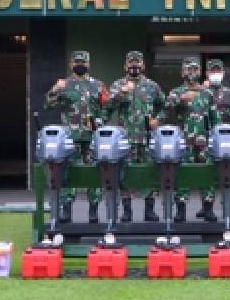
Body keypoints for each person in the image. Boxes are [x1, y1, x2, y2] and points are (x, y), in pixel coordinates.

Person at [45, 50, 105, 223]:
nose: (80, 65)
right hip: (70, 137)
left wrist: (97, 123)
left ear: (88, 64)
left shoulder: (98, 85)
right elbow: (48, 105)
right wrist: (55, 90)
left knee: (94, 172)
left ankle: (93, 211)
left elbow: (106, 108)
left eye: (83, 62)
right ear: (71, 64)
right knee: (67, 173)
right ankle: (66, 211)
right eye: (76, 62)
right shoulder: (65, 85)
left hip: (92, 137)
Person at [105, 50, 165, 222]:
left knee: (149, 172)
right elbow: (108, 106)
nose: (134, 66)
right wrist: (122, 92)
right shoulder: (118, 85)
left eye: (137, 63)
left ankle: (149, 210)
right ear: (125, 66)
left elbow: (163, 106)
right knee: (125, 174)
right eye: (131, 63)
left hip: (147, 137)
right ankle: (127, 211)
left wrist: (157, 119)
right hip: (126, 138)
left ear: (143, 66)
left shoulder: (152, 86)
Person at [162, 57, 218, 223]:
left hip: (204, 141)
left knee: (207, 173)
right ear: (182, 72)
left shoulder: (207, 93)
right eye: (188, 69)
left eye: (194, 69)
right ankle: (181, 210)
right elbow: (166, 107)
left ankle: (208, 209)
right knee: (182, 174)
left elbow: (214, 118)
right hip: (183, 141)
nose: (191, 73)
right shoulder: (177, 91)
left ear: (199, 72)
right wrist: (181, 99)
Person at [205, 58, 230, 219]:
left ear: (223, 73)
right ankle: (207, 208)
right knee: (208, 174)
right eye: (212, 71)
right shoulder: (201, 93)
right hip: (207, 140)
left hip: (228, 140)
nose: (215, 74)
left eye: (217, 71)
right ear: (207, 73)